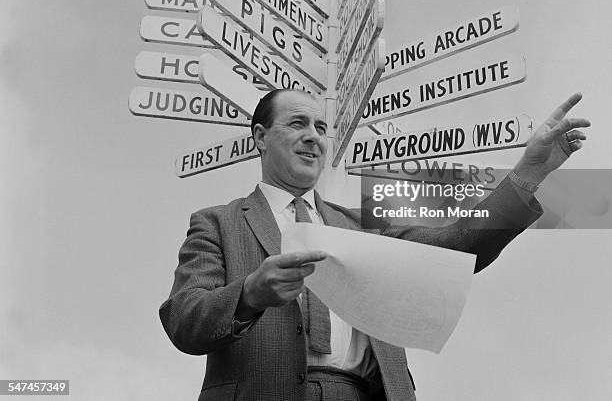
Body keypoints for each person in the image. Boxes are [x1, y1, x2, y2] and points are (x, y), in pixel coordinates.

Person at [160, 89, 590, 401]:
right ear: (260, 136)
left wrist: (528, 174)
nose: (314, 136)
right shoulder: (217, 222)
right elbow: (184, 319)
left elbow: (456, 248)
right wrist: (250, 294)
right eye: (297, 123)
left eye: (321, 127)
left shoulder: (362, 227)